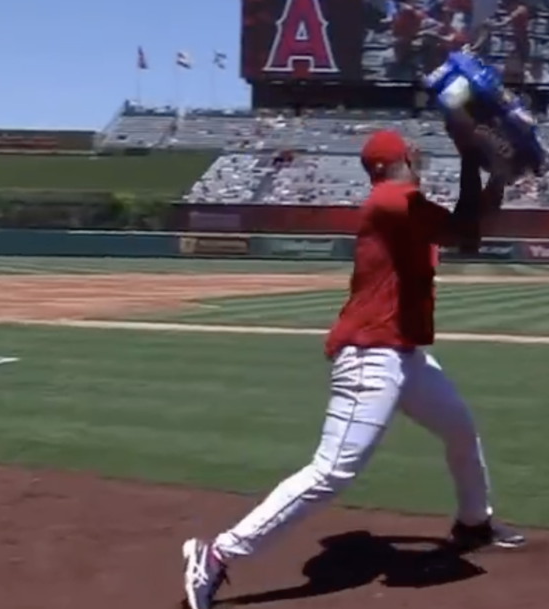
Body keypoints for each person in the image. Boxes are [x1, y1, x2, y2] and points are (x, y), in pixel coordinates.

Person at [181, 130, 520, 609]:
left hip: (404, 354)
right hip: (370, 355)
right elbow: (465, 229)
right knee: (332, 471)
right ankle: (216, 554)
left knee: (460, 429)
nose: (419, 152)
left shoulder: (409, 204)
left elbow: (470, 232)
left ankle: (473, 523)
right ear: (400, 160)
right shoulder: (389, 199)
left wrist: (498, 177)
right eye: (411, 150)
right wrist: (470, 160)